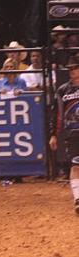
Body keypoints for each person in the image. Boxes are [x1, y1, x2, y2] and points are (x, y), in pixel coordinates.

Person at [49, 55, 79, 214]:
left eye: (75, 68)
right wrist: (53, 134)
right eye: (70, 69)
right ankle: (78, 199)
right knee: (75, 165)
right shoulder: (63, 90)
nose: (72, 71)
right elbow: (56, 114)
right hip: (72, 132)